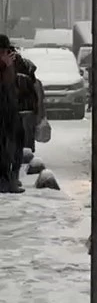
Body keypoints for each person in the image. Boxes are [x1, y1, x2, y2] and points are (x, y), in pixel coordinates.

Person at [0, 35, 38, 193]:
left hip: (11, 110)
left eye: (6, 50)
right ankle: (5, 180)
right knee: (3, 148)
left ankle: (12, 178)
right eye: (2, 51)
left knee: (15, 146)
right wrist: (6, 66)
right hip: (3, 111)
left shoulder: (16, 63)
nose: (5, 53)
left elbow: (23, 84)